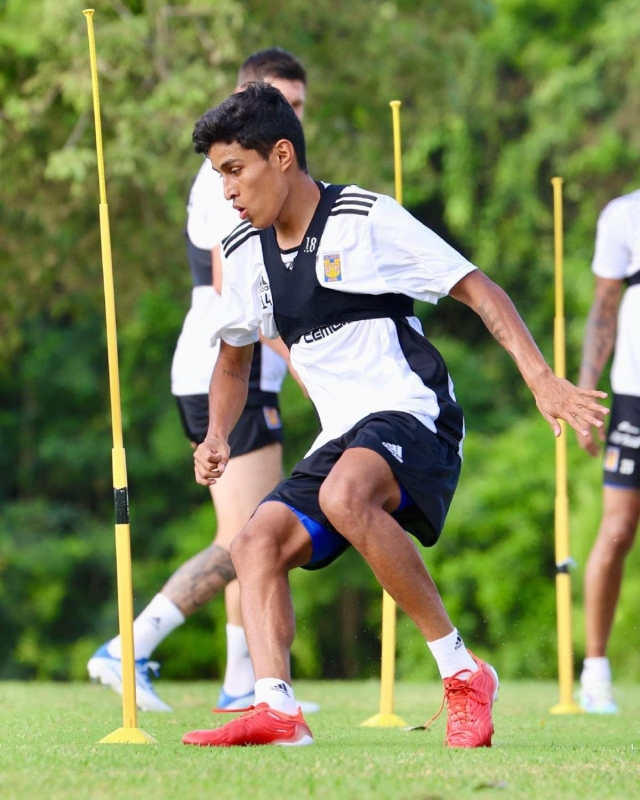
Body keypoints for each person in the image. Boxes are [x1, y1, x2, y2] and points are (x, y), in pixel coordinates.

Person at [180, 83, 609, 748]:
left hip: (416, 414)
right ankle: (277, 709)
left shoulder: (364, 218)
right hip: (342, 434)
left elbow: (476, 286)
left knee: (344, 493)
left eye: (235, 170)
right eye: (218, 177)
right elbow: (233, 362)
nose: (227, 191)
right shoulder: (244, 256)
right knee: (252, 544)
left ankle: (462, 674)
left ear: (283, 155)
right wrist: (214, 434)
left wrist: (542, 378)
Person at [88, 50, 316, 714]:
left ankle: (243, 684)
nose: (294, 117)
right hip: (222, 367)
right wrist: (301, 356)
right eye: (283, 101)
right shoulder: (227, 175)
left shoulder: (275, 171)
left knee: (257, 531)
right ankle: (128, 647)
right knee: (248, 537)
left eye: (301, 105)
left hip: (250, 372)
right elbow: (236, 289)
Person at [575, 190, 640, 714]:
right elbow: (604, 307)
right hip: (634, 396)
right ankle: (594, 671)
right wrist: (586, 393)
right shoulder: (623, 214)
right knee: (617, 529)